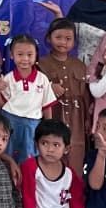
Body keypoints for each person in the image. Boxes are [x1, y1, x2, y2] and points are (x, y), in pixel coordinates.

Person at [0, 34, 56, 162]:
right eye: (20, 54)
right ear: (12, 55)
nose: (25, 59)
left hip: (32, 125)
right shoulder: (8, 78)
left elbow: (47, 106)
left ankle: (25, 181)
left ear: (36, 56)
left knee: (29, 158)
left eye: (29, 55)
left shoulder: (42, 79)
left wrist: (48, 127)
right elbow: (1, 104)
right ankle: (9, 181)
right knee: (7, 154)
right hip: (9, 121)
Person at [37, 17, 90, 177]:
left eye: (68, 39)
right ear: (49, 38)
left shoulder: (80, 65)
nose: (63, 42)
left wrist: (88, 119)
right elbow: (34, 90)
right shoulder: (41, 64)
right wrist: (49, 87)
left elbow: (86, 95)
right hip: (54, 115)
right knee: (52, 154)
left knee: (76, 156)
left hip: (77, 120)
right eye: (58, 37)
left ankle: (75, 196)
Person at [20, 118, 86, 208]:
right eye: (44, 143)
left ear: (66, 149)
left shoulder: (69, 173)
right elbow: (28, 199)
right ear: (36, 144)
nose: (50, 149)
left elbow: (77, 202)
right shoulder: (30, 167)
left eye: (56, 145)